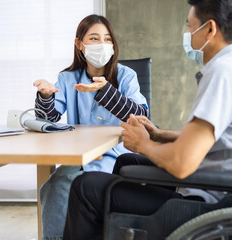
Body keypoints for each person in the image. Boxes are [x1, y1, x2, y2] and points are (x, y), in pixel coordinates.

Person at [63, 0, 232, 239]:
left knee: (84, 187)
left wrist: (143, 144)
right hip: (228, 185)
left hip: (210, 203)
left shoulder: (223, 73)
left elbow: (181, 163)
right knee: (125, 162)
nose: (187, 34)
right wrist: (158, 135)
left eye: (190, 26)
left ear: (210, 29)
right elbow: (218, 138)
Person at [33, 14, 149, 240]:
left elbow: (141, 115)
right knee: (53, 187)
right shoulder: (68, 79)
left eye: (107, 39)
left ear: (113, 46)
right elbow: (49, 118)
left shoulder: (126, 76)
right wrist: (46, 95)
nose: (102, 45)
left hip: (117, 156)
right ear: (80, 45)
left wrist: (105, 91)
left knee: (71, 187)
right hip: (81, 158)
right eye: (94, 39)